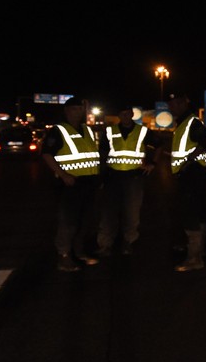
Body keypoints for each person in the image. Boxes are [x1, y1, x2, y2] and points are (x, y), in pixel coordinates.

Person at [40, 96, 102, 272]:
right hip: (70, 184)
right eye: (75, 109)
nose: (79, 112)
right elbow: (46, 154)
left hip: (89, 183)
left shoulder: (87, 130)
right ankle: (64, 256)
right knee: (68, 222)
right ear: (67, 111)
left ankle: (79, 252)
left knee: (85, 221)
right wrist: (63, 174)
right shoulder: (58, 131)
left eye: (80, 109)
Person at [95, 106, 158, 257]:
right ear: (119, 115)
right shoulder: (110, 131)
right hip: (112, 177)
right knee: (109, 212)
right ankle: (105, 244)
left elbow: (159, 146)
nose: (124, 116)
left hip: (134, 177)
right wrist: (100, 174)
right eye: (121, 113)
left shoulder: (142, 131)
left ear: (131, 114)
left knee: (132, 212)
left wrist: (153, 164)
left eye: (127, 113)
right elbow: (102, 154)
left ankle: (128, 242)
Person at [165, 91, 206, 271]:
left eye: (174, 104)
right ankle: (200, 251)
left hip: (193, 175)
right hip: (192, 174)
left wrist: (189, 161)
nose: (171, 108)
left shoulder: (191, 123)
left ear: (183, 104)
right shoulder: (183, 123)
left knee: (191, 213)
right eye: (170, 105)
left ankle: (194, 258)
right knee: (198, 212)